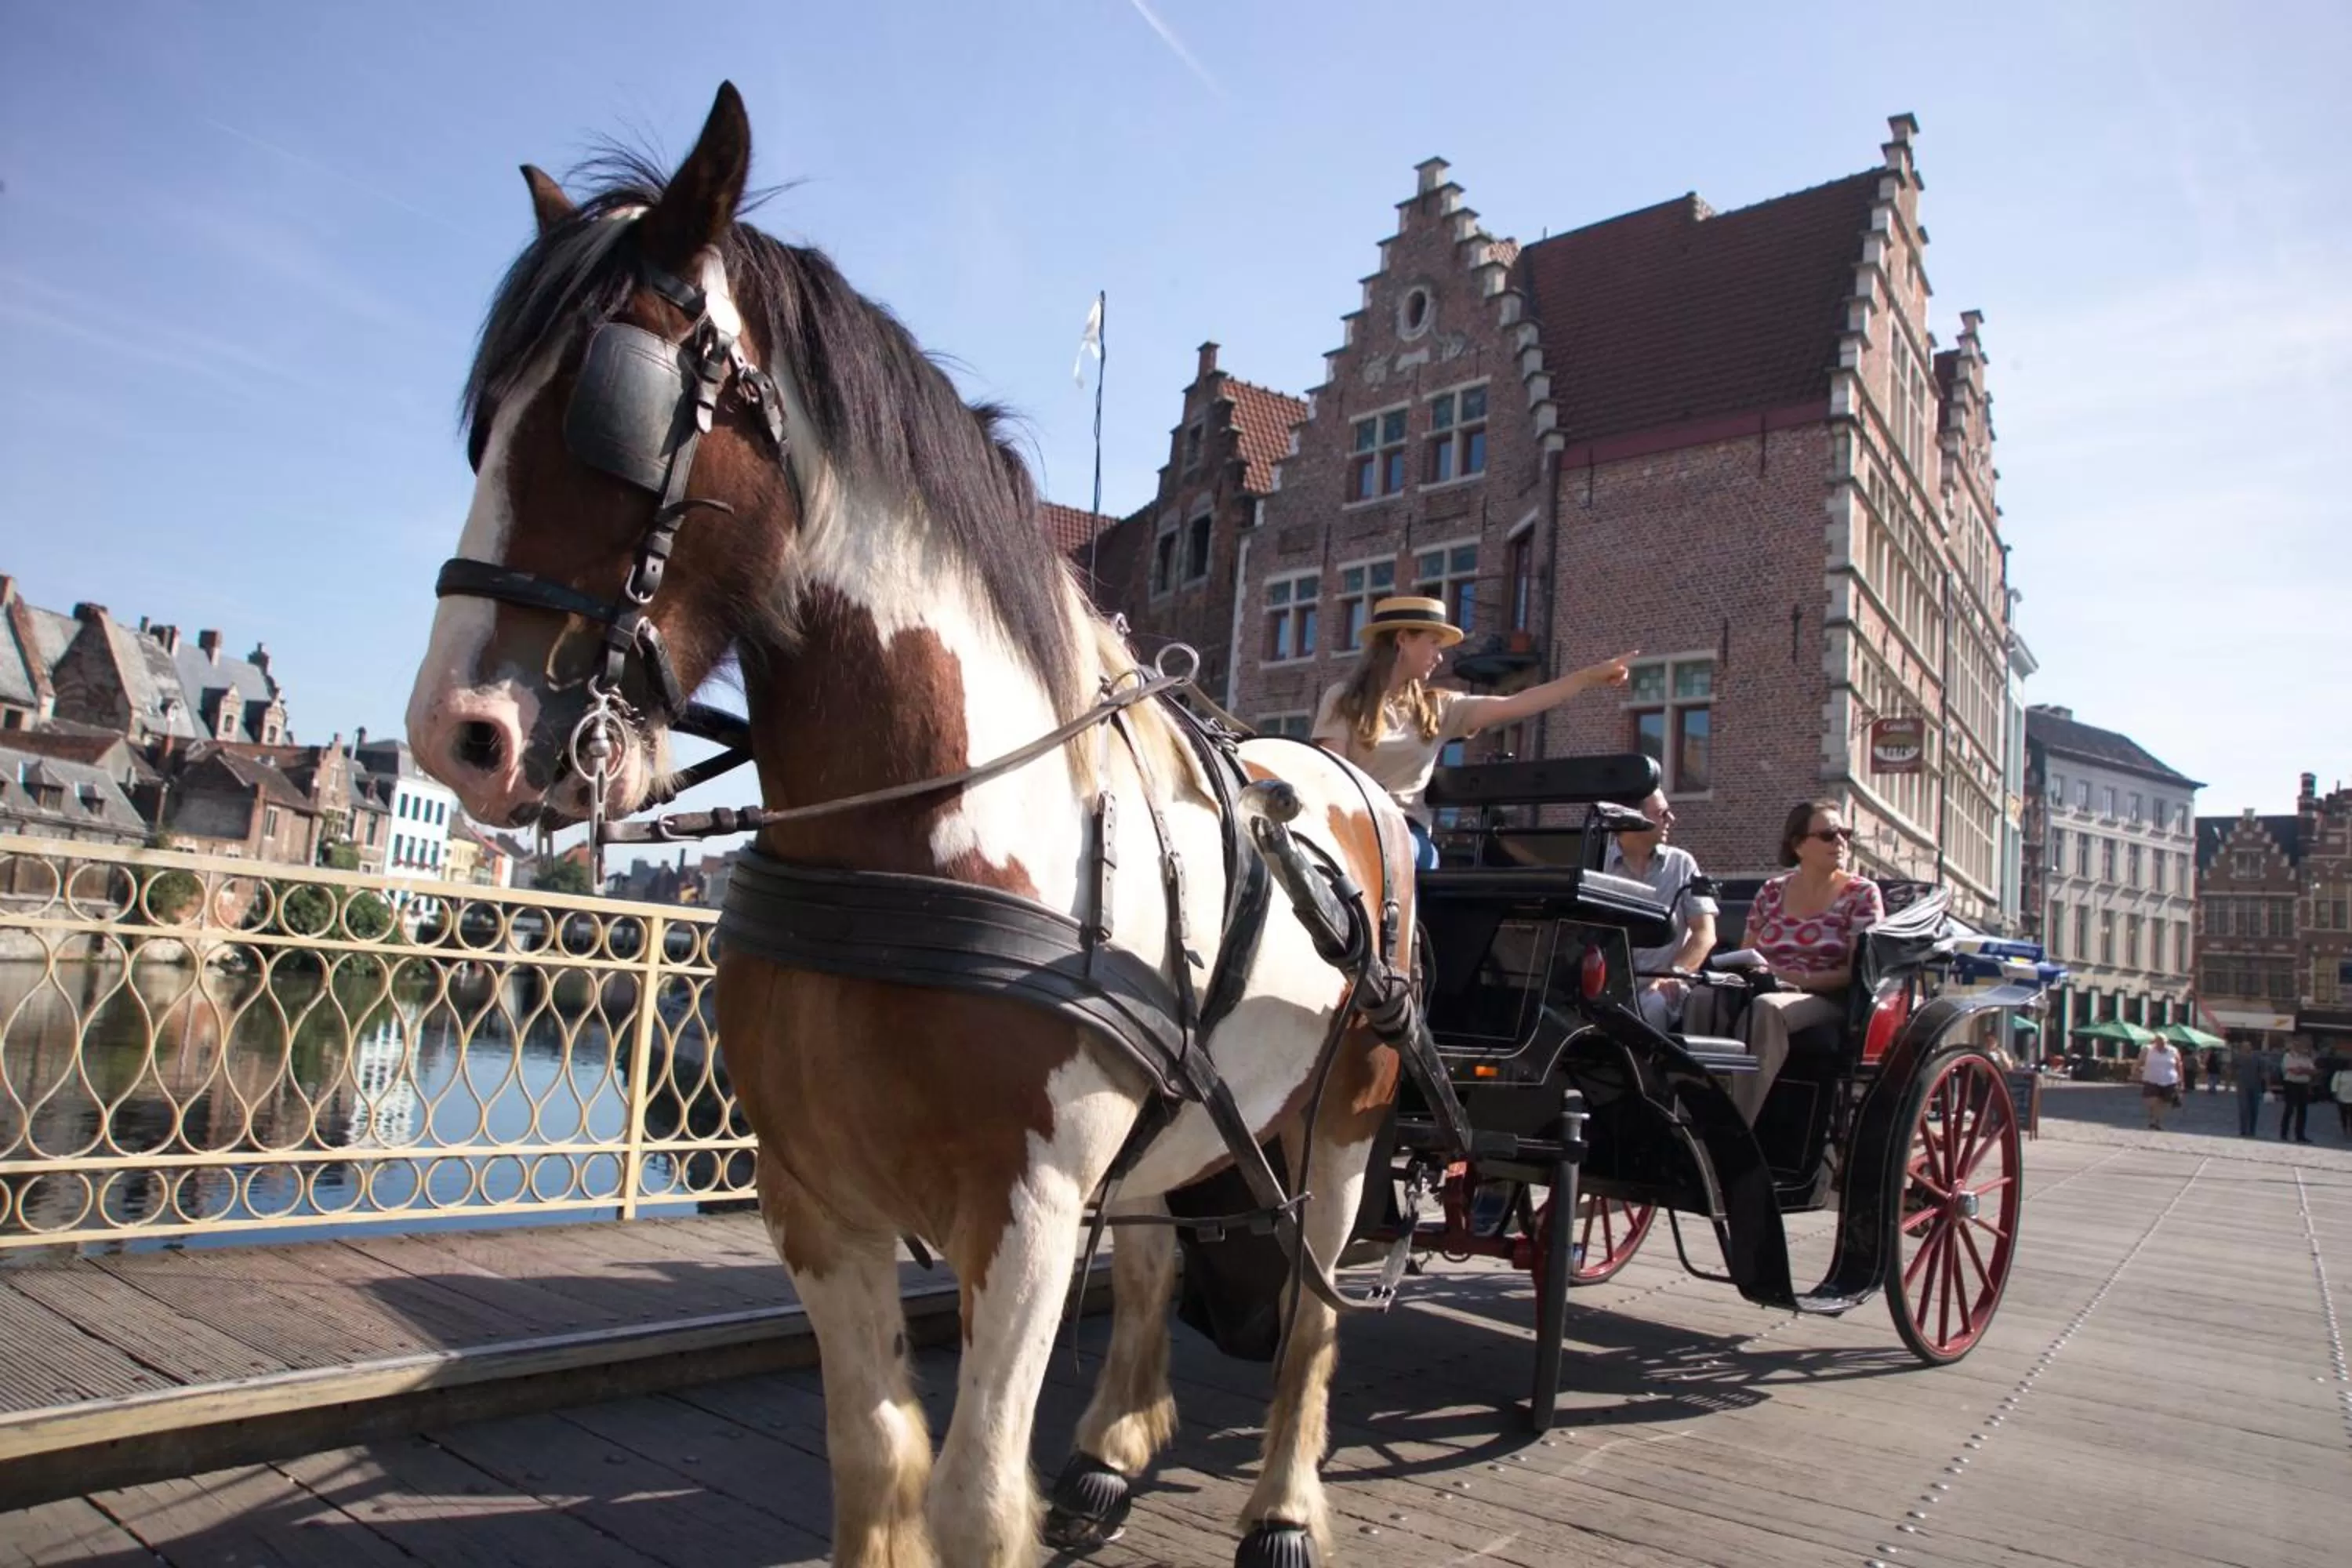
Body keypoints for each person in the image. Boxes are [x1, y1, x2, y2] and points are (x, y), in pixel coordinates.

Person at [1311, 594, 1634, 869]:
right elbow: (1327, 773)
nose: (1439, 657)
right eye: (1433, 643)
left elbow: (1517, 703)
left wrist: (1587, 678)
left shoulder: (1441, 708)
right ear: (1403, 640)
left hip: (1404, 831)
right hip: (1351, 823)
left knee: (1404, 854)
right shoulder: (1344, 699)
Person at [1722, 800, 1885, 1123]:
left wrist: (1793, 978)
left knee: (1768, 1008)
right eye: (1828, 834)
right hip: (1766, 986)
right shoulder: (1772, 891)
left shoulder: (1862, 894)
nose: (1840, 841)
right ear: (1798, 845)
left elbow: (1857, 974)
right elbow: (1745, 954)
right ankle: (1687, 1116)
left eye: (1844, 833)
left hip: (1827, 999)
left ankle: (1734, 1128)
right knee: (1700, 998)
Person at [1601, 790, 1718, 1031]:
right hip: (1608, 986)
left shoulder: (1682, 864)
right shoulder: (1597, 865)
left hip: (1663, 986)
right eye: (1662, 813)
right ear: (1633, 820)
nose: (1671, 819)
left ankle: (1643, 1069)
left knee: (1651, 1007)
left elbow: (1704, 934)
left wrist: (1674, 974)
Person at [2278, 1036, 2318, 1144]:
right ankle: (2284, 1133)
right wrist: (2305, 1070)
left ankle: (2300, 1135)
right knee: (2289, 1109)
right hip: (2291, 1084)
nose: (2301, 1047)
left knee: (2302, 1110)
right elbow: (2293, 1071)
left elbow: (2314, 1071)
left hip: (2303, 1085)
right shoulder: (2288, 1056)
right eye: (2298, 1045)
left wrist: (2303, 1070)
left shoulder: (2306, 1058)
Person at [2138, 1035, 2183, 1131]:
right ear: (2154, 1042)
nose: (2161, 1045)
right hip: (2151, 1079)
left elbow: (2179, 1064)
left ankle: (2156, 1121)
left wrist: (2181, 1079)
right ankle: (2154, 1117)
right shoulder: (2147, 1050)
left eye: (2163, 1042)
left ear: (2167, 1042)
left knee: (2165, 1102)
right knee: (2152, 1100)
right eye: (2158, 1042)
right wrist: (2135, 1071)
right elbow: (2139, 1062)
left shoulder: (2173, 1051)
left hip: (2169, 1080)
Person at [2232, 1041, 2270, 1138]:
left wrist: (2268, 1087)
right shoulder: (2237, 1058)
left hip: (2255, 1086)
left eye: (2247, 1047)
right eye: (2244, 1047)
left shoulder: (2257, 1059)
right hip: (2242, 1086)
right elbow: (2231, 1070)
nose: (2246, 1049)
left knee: (2254, 1109)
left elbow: (2264, 1073)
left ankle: (2252, 1130)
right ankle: (2243, 1130)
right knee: (2243, 1108)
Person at [2332, 1058, 2352, 1139]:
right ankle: (2345, 1129)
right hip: (2342, 1097)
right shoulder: (2339, 1074)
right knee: (2343, 1115)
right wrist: (2335, 1093)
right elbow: (2334, 1084)